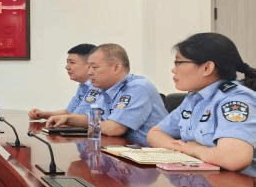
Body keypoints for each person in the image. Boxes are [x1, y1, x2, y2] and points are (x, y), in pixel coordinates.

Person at [147, 33, 256, 171]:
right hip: (202, 178)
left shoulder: (235, 100)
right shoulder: (194, 98)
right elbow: (154, 134)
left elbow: (235, 158)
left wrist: (194, 149)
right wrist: (183, 148)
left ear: (207, 68)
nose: (173, 70)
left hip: (235, 182)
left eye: (178, 63)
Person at [46, 43, 167, 145]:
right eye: (89, 67)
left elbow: (114, 128)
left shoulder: (137, 87)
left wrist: (84, 125)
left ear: (116, 68)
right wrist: (67, 119)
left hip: (150, 156)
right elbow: (92, 119)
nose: (89, 72)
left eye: (94, 67)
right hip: (123, 149)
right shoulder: (105, 89)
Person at [29, 43, 96, 119]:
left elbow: (78, 117)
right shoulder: (83, 86)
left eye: (72, 62)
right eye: (67, 62)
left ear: (89, 65)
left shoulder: (97, 87)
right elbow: (68, 112)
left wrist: (59, 119)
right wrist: (44, 114)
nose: (67, 67)